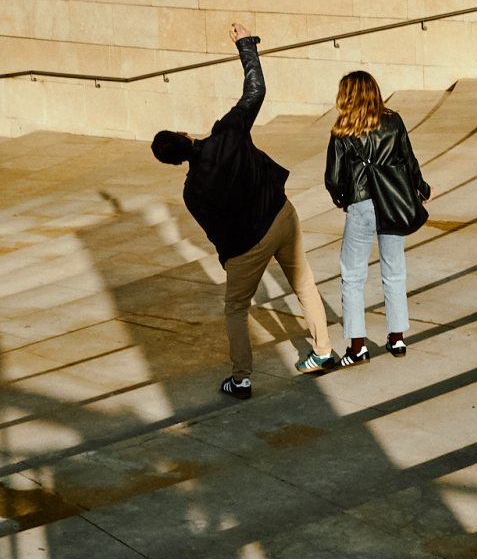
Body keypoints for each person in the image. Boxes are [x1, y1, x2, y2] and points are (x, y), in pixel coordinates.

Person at [151, 22, 336, 399]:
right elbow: (255, 90)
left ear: (175, 162)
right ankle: (322, 351)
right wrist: (245, 44)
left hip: (246, 246)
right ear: (184, 134)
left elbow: (216, 233)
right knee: (303, 283)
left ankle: (242, 378)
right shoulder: (228, 133)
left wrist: (231, 262)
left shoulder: (192, 191)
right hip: (281, 216)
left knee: (235, 308)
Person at [324, 70, 431, 366]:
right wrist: (422, 189)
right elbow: (409, 160)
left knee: (352, 275)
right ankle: (397, 338)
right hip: (392, 202)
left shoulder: (342, 129)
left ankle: (357, 347)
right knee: (394, 271)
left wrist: (343, 199)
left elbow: (333, 178)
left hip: (360, 204)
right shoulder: (393, 121)